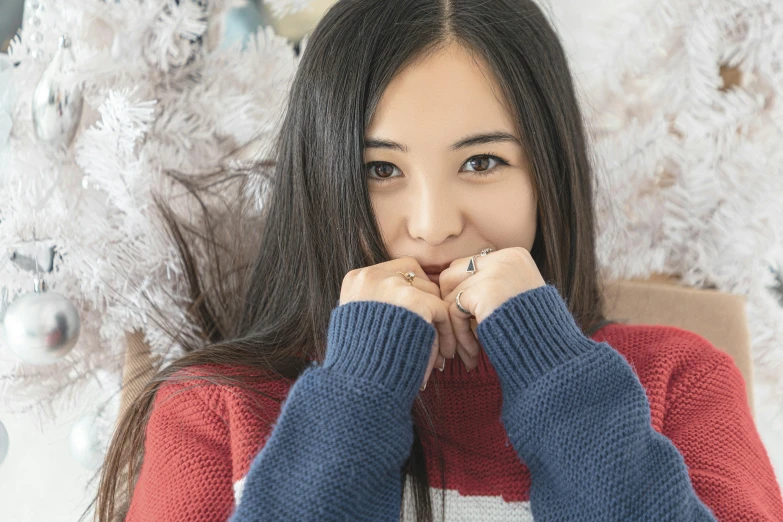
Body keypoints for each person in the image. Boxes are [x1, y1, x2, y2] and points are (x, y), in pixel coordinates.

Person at [89, 0, 783, 521]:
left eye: (482, 162)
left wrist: (552, 370)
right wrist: (357, 394)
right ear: (320, 179)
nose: (431, 224)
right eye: (379, 170)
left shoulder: (679, 379)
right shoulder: (214, 408)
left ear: (547, 172)